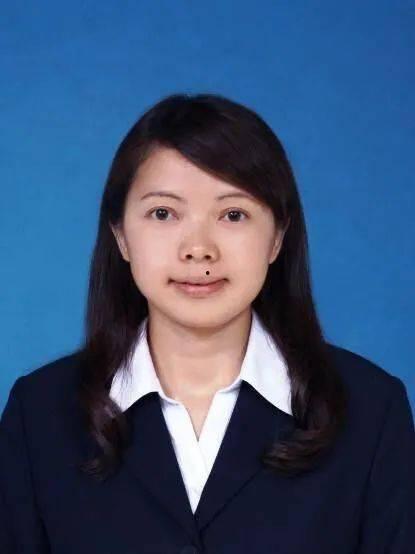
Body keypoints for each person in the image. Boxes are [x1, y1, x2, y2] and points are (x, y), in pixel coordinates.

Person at [0, 93, 414, 554]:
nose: (198, 248)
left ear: (277, 237)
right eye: (163, 213)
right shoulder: (38, 415)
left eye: (233, 214)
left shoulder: (371, 412)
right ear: (120, 234)